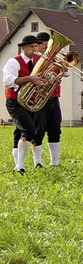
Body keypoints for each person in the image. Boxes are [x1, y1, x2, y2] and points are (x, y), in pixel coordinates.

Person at [3, 35, 46, 174]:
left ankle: (19, 165)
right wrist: (30, 79)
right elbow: (8, 81)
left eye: (35, 46)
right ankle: (19, 166)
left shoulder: (36, 63)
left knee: (21, 132)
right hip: (15, 101)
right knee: (28, 130)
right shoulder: (13, 61)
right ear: (23, 48)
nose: (34, 49)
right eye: (31, 47)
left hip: (30, 102)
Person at [29, 31, 69, 167]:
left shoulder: (56, 59)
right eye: (44, 45)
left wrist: (63, 66)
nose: (46, 48)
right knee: (38, 131)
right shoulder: (34, 59)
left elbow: (67, 74)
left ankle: (55, 162)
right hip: (39, 99)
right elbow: (33, 76)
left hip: (54, 98)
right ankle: (37, 162)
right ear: (38, 46)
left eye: (48, 45)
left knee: (55, 129)